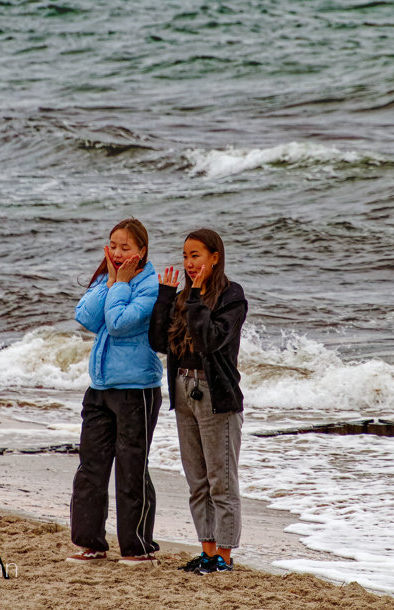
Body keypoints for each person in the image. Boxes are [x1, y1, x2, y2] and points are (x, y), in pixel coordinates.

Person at [149, 228, 248, 575]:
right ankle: (206, 551)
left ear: (214, 257)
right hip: (182, 389)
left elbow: (209, 340)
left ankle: (224, 556)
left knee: (221, 479)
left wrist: (193, 298)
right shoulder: (183, 296)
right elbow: (160, 342)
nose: (190, 263)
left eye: (197, 256)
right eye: (186, 256)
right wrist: (165, 296)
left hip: (216, 395)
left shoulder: (232, 296)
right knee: (197, 479)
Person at [67, 218, 164, 566]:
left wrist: (120, 284)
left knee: (131, 467)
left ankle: (137, 547)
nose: (118, 253)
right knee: (91, 467)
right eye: (114, 245)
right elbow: (87, 317)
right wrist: (110, 281)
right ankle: (91, 543)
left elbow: (121, 323)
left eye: (126, 247)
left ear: (142, 251)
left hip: (137, 388)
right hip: (100, 387)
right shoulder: (109, 279)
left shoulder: (150, 285)